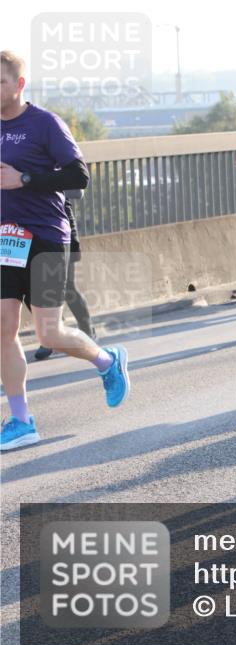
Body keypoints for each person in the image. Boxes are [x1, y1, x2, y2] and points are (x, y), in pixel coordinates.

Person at [1, 50, 129, 451]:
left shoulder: (44, 124)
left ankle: (106, 360)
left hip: (45, 237)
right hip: (6, 240)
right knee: (3, 328)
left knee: (49, 333)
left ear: (20, 84)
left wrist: (24, 178)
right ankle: (21, 420)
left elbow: (79, 175)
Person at [33, 189, 97, 360]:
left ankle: (87, 329)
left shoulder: (50, 165)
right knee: (40, 291)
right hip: (29, 238)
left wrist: (36, 180)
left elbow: (78, 191)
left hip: (60, 235)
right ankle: (51, 338)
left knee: (67, 287)